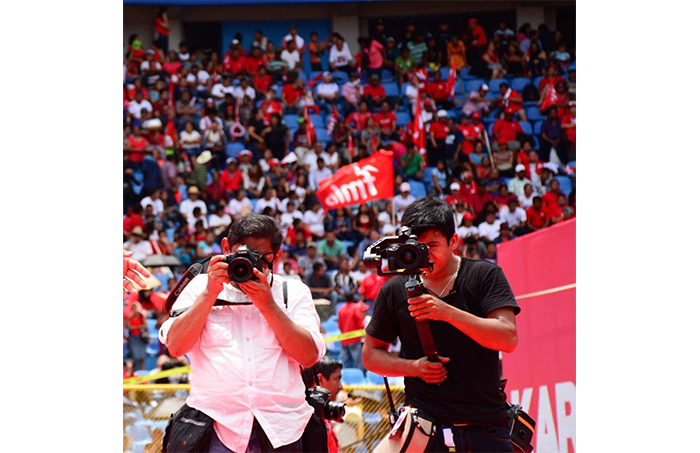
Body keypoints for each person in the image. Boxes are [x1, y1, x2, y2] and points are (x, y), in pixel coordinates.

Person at [362, 197, 520, 452]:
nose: (425, 254)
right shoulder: (394, 290)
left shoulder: (485, 275)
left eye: (432, 245)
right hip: (424, 430)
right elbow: (370, 355)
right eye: (417, 247)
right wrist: (414, 368)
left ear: (453, 241)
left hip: (485, 427)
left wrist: (447, 312)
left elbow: (508, 338)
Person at [160, 214, 325, 453]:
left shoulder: (292, 292)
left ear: (276, 257)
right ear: (226, 247)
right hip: (216, 427)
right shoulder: (199, 287)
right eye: (241, 254)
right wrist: (209, 294)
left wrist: (268, 305)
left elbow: (308, 356)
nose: (248, 263)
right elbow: (176, 347)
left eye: (259, 257)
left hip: (283, 428)